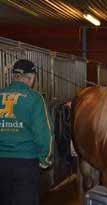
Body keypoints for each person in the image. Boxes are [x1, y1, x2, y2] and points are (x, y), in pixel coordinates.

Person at [0, 59, 54, 205]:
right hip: (25, 163)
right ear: (31, 78)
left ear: (13, 77)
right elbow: (44, 134)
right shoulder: (35, 98)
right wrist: (45, 159)